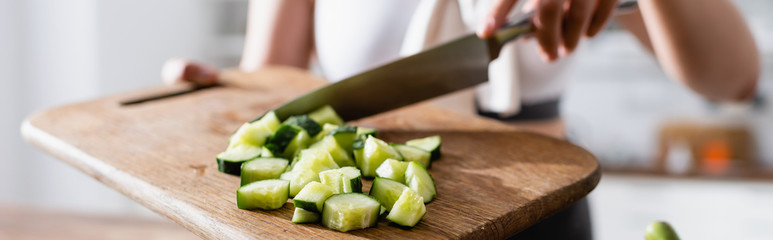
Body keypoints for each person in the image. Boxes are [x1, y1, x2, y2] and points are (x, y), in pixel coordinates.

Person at [162, 0, 760, 238]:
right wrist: (218, 91)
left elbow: (732, 77)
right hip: (369, 222)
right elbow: (271, 76)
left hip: (540, 220)